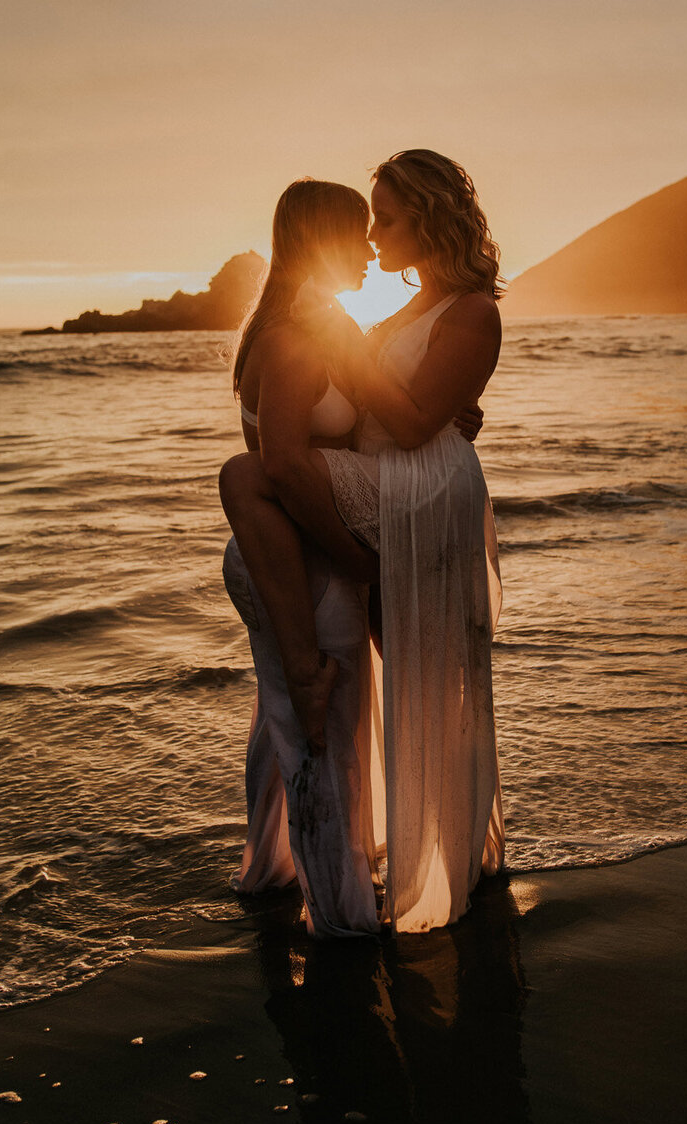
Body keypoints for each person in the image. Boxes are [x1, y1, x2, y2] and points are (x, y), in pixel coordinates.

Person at [222, 150, 505, 934]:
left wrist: (444, 413)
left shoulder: (470, 310)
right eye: (366, 219)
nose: (375, 233)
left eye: (386, 215)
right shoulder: (377, 317)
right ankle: (316, 875)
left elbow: (410, 416)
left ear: (427, 214)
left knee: (426, 671)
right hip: (376, 501)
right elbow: (384, 403)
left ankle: (421, 863)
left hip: (411, 495)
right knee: (377, 673)